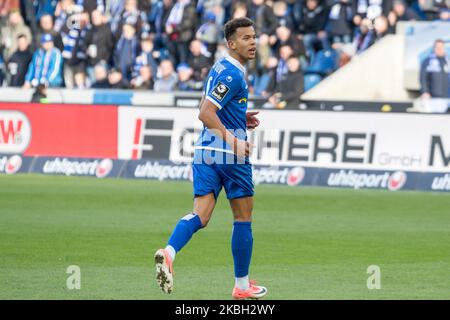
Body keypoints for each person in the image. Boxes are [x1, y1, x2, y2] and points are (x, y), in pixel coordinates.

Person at [154, 17, 267, 300]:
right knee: (243, 218)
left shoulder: (221, 67)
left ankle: (168, 252)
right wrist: (234, 140)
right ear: (231, 44)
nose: (252, 42)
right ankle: (242, 287)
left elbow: (215, 108)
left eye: (254, 37)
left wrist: (241, 117)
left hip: (204, 152)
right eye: (245, 38)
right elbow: (205, 112)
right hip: (229, 156)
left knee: (200, 215)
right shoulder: (234, 74)